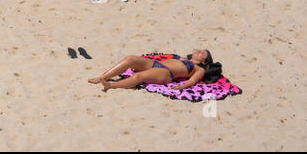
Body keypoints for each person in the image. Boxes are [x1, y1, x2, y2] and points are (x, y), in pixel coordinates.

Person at [87, 49, 218, 92]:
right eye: (200, 50)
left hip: (166, 73)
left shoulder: (198, 69)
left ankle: (111, 85)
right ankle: (102, 77)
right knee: (130, 59)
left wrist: (181, 86)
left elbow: (192, 81)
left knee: (140, 77)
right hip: (156, 64)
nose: (199, 51)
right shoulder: (184, 58)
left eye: (202, 53)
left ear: (204, 61)